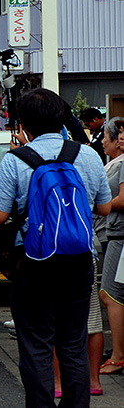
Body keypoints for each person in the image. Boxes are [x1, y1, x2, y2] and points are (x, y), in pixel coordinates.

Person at [0, 88, 111, 407]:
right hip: (80, 260)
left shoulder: (15, 160)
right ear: (62, 118)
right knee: (73, 343)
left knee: (37, 345)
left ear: (24, 125)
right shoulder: (86, 154)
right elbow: (105, 208)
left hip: (34, 261)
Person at [100, 116, 124, 377]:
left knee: (111, 293)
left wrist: (99, 204)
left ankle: (118, 355)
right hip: (115, 233)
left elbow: (122, 200)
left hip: (119, 233)